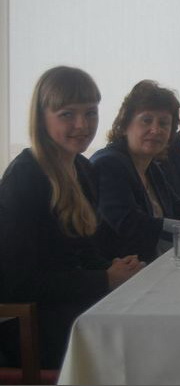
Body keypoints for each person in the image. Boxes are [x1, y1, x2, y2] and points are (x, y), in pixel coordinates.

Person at [0, 66, 144, 369]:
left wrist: (118, 268)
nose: (82, 125)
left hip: (77, 308)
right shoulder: (24, 177)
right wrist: (104, 278)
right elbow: (15, 283)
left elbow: (86, 253)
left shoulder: (83, 169)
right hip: (38, 327)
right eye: (67, 114)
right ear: (41, 118)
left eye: (91, 113)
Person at [91, 80, 180, 263]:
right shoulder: (108, 164)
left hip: (156, 262)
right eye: (146, 120)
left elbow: (178, 207)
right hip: (125, 271)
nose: (156, 130)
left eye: (164, 123)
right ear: (125, 125)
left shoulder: (151, 166)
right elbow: (132, 225)